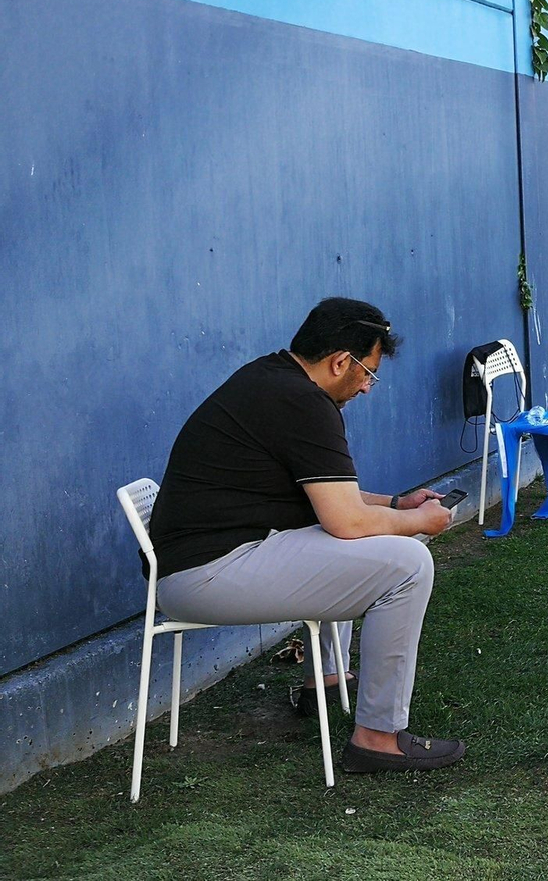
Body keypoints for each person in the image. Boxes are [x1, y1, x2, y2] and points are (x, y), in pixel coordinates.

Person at [148, 298, 466, 773]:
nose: (366, 387)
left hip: (205, 562)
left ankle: (327, 679)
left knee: (366, 543)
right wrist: (420, 523)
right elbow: (348, 521)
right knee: (407, 563)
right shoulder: (302, 401)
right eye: (368, 373)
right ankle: (377, 738)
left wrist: (399, 506)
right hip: (206, 574)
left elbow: (335, 501)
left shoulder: (272, 380)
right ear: (341, 361)